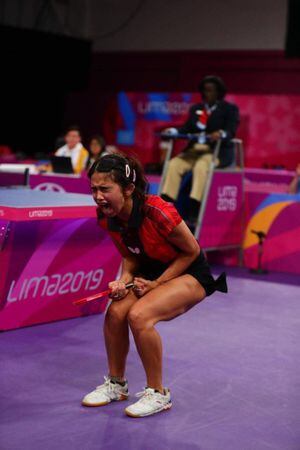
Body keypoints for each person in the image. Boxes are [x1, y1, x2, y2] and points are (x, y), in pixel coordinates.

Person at [81, 153, 227, 418]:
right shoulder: (108, 215)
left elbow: (191, 250)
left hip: (189, 272)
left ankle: (158, 393)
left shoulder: (158, 211)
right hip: (148, 272)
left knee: (139, 315)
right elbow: (129, 255)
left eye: (105, 189)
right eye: (94, 189)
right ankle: (116, 384)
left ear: (128, 189)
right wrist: (123, 280)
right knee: (115, 313)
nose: (98, 196)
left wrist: (158, 283)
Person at [161, 75, 240, 221]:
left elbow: (231, 130)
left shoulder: (229, 109)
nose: (207, 94)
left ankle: (194, 205)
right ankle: (166, 203)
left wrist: (221, 133)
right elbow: (186, 128)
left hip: (216, 152)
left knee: (201, 166)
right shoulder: (196, 109)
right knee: (174, 164)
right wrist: (173, 131)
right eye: (205, 90)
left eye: (211, 90)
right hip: (194, 150)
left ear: (218, 92)